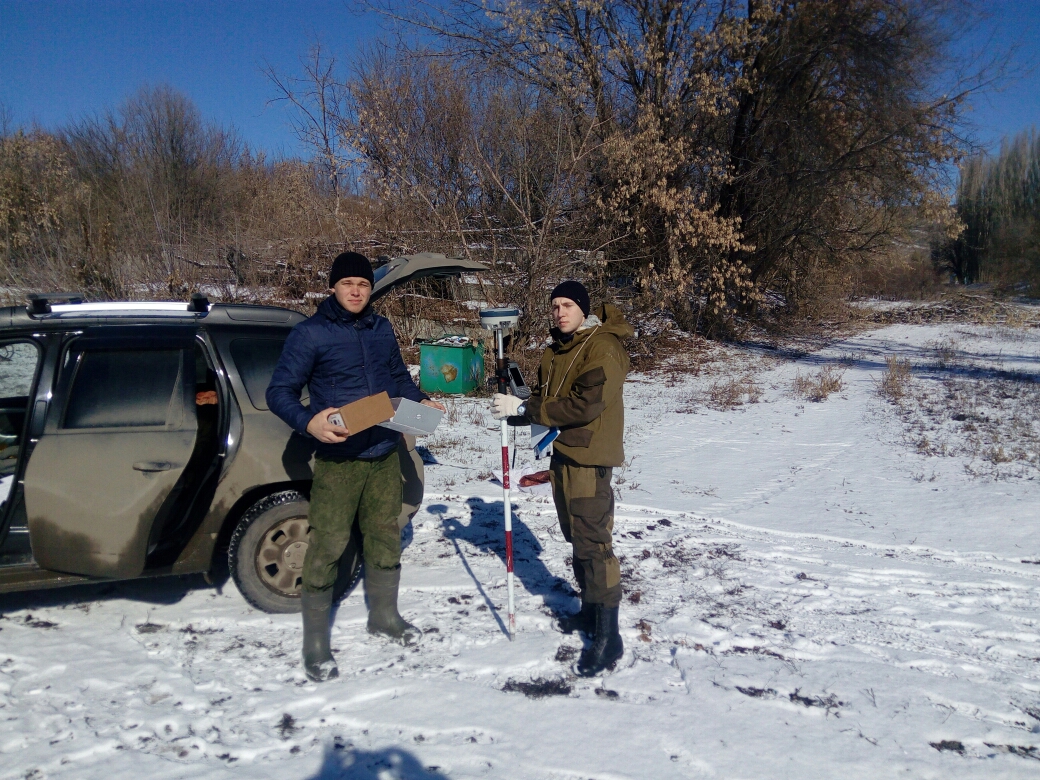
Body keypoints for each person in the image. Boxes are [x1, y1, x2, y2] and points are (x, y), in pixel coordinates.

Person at [267, 251, 446, 682]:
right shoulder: (310, 334)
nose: (355, 291)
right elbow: (280, 391)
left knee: (385, 536)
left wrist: (420, 400)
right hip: (339, 461)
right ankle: (315, 644)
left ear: (370, 289)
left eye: (363, 285)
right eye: (347, 283)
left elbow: (397, 380)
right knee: (328, 545)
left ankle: (383, 616)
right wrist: (309, 421)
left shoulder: (381, 329)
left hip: (384, 452)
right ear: (333, 287)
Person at [491, 281, 633, 676]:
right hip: (563, 456)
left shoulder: (603, 347)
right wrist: (517, 403)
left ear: (583, 309)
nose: (559, 312)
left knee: (594, 543)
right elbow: (544, 397)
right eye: (554, 305)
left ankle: (609, 637)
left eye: (567, 304)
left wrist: (527, 405)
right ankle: (590, 614)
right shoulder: (556, 350)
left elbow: (585, 405)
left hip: (589, 458)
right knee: (577, 537)